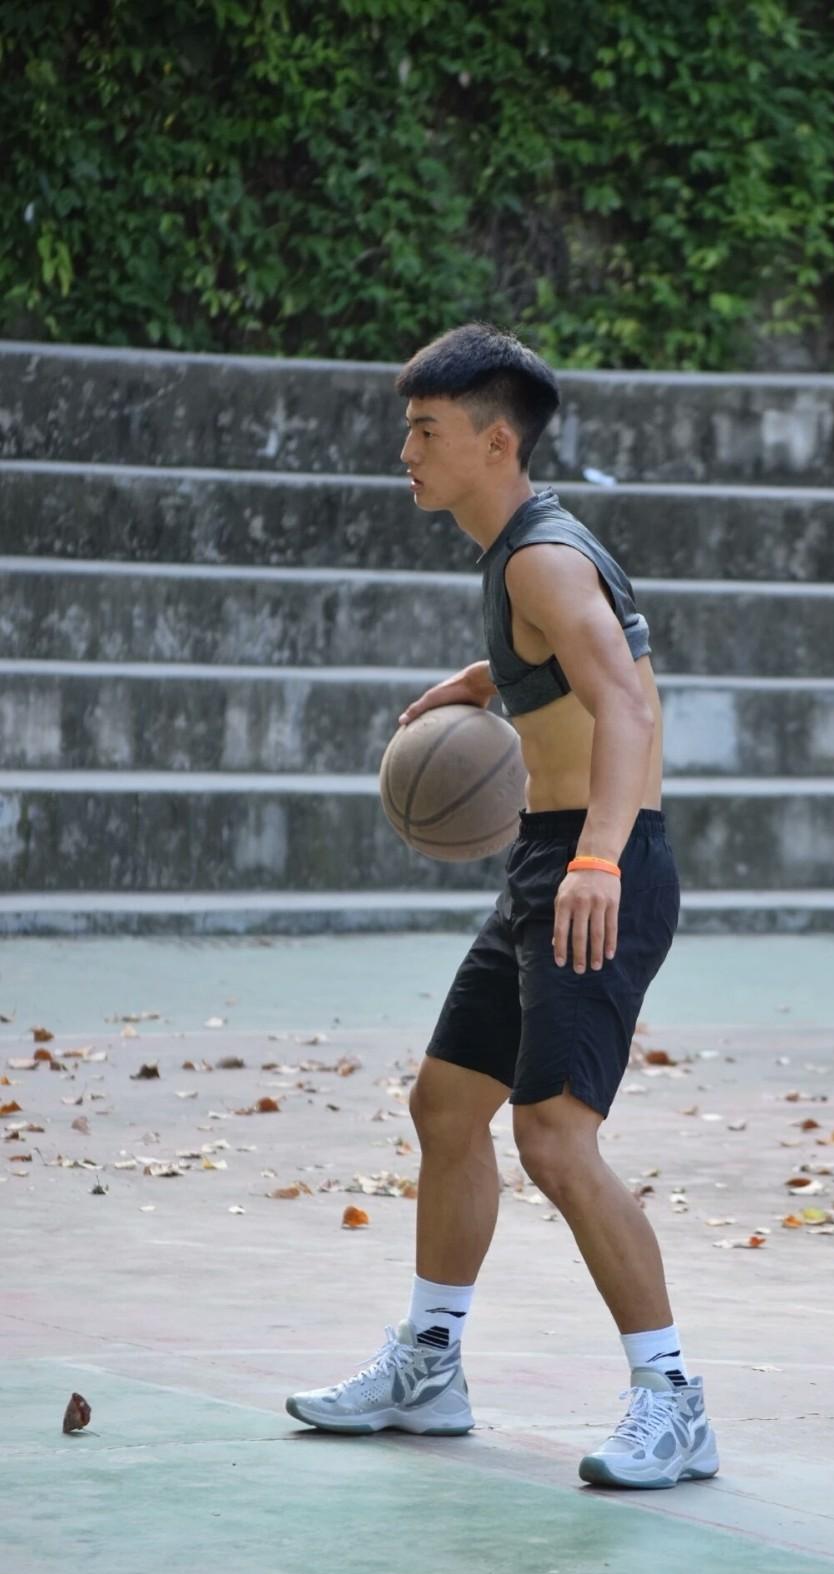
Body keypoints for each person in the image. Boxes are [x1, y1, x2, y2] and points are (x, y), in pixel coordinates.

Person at [286, 323, 719, 1490]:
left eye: (425, 432)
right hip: (546, 857)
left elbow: (626, 706)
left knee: (554, 1138)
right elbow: (583, 662)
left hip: (595, 866)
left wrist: (598, 859)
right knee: (444, 1105)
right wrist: (485, 679)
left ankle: (672, 1399)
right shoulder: (517, 551)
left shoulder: (541, 558)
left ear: (493, 443)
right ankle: (429, 1367)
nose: (405, 452)